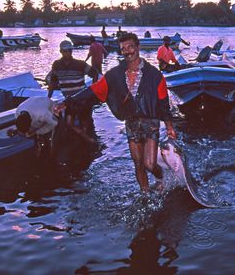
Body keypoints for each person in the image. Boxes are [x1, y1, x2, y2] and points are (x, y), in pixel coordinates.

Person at [54, 33, 177, 193]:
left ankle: (162, 177)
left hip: (151, 121)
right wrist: (67, 102)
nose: (127, 51)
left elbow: (163, 103)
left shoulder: (154, 74)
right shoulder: (115, 74)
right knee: (138, 163)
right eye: (123, 49)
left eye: (130, 47)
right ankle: (145, 194)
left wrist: (169, 127)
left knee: (149, 164)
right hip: (131, 122)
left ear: (138, 47)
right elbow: (93, 90)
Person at [48, 40, 99, 140]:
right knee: (69, 123)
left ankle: (88, 139)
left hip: (83, 99)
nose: (68, 53)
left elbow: (95, 73)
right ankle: (87, 139)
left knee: (85, 121)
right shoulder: (56, 65)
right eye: (65, 51)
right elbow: (53, 82)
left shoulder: (80, 64)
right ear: (61, 51)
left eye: (69, 51)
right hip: (69, 100)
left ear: (72, 51)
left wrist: (93, 90)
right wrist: (48, 97)